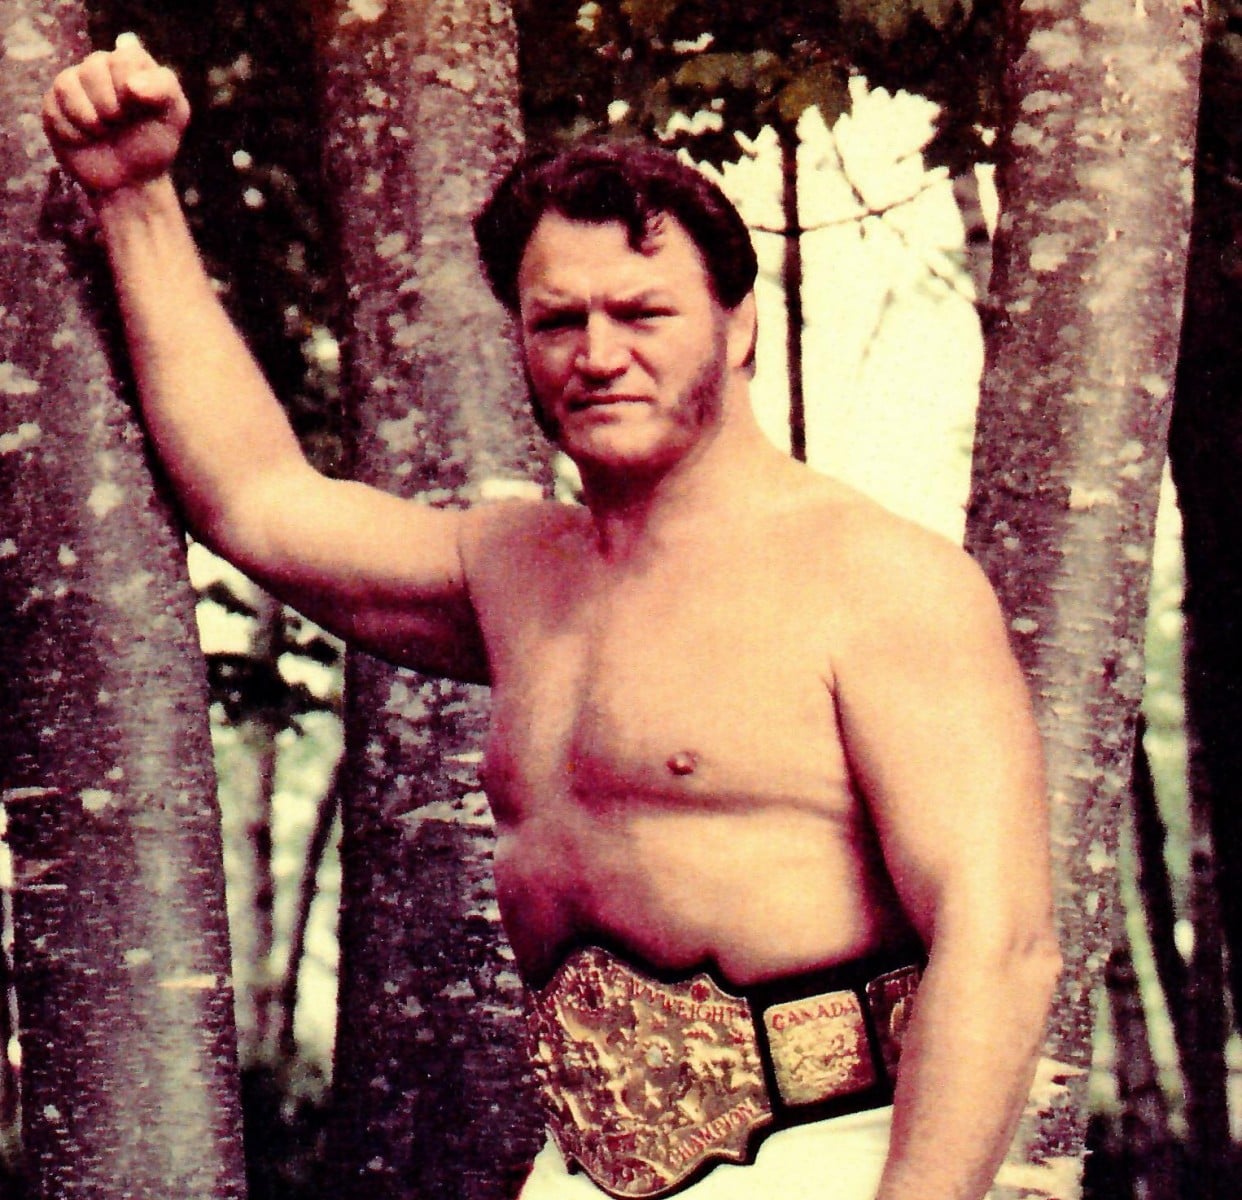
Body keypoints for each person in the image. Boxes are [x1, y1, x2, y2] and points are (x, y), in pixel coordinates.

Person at [42, 36, 1060, 1200]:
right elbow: (255, 500)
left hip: (836, 1159)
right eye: (558, 320)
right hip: (576, 1172)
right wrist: (133, 196)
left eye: (642, 312)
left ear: (737, 328)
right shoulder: (516, 569)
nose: (598, 354)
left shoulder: (878, 580)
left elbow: (1001, 942)